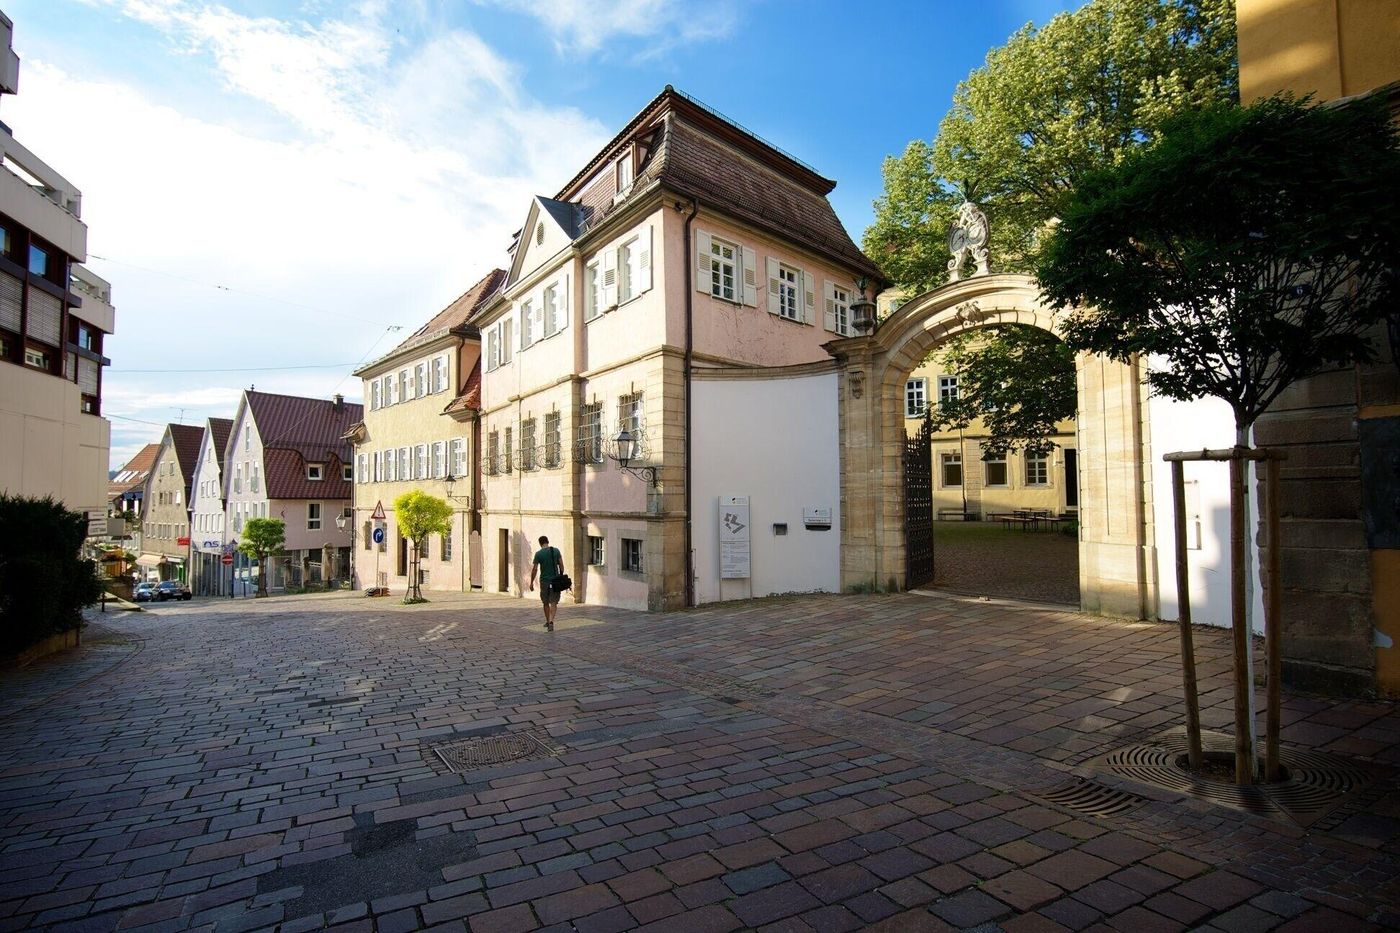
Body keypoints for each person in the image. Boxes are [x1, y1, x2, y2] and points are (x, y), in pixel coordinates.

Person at [528, 535, 564, 631]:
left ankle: (548, 621)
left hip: (544, 581)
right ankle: (551, 621)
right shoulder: (556, 551)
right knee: (554, 602)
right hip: (555, 581)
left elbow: (535, 569)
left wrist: (531, 582)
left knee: (545, 602)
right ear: (547, 542)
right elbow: (561, 565)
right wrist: (560, 575)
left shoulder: (538, 554)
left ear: (540, 543)